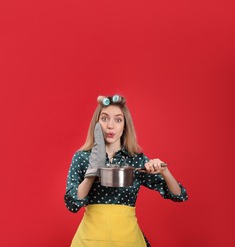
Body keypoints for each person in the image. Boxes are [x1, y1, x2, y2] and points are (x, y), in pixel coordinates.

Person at [64, 94, 188, 247]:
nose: (111, 125)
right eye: (104, 119)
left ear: (125, 126)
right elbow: (73, 204)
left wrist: (165, 171)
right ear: (96, 124)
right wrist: (92, 171)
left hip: (128, 241)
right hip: (89, 241)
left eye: (118, 120)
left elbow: (179, 195)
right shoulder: (82, 157)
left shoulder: (135, 159)